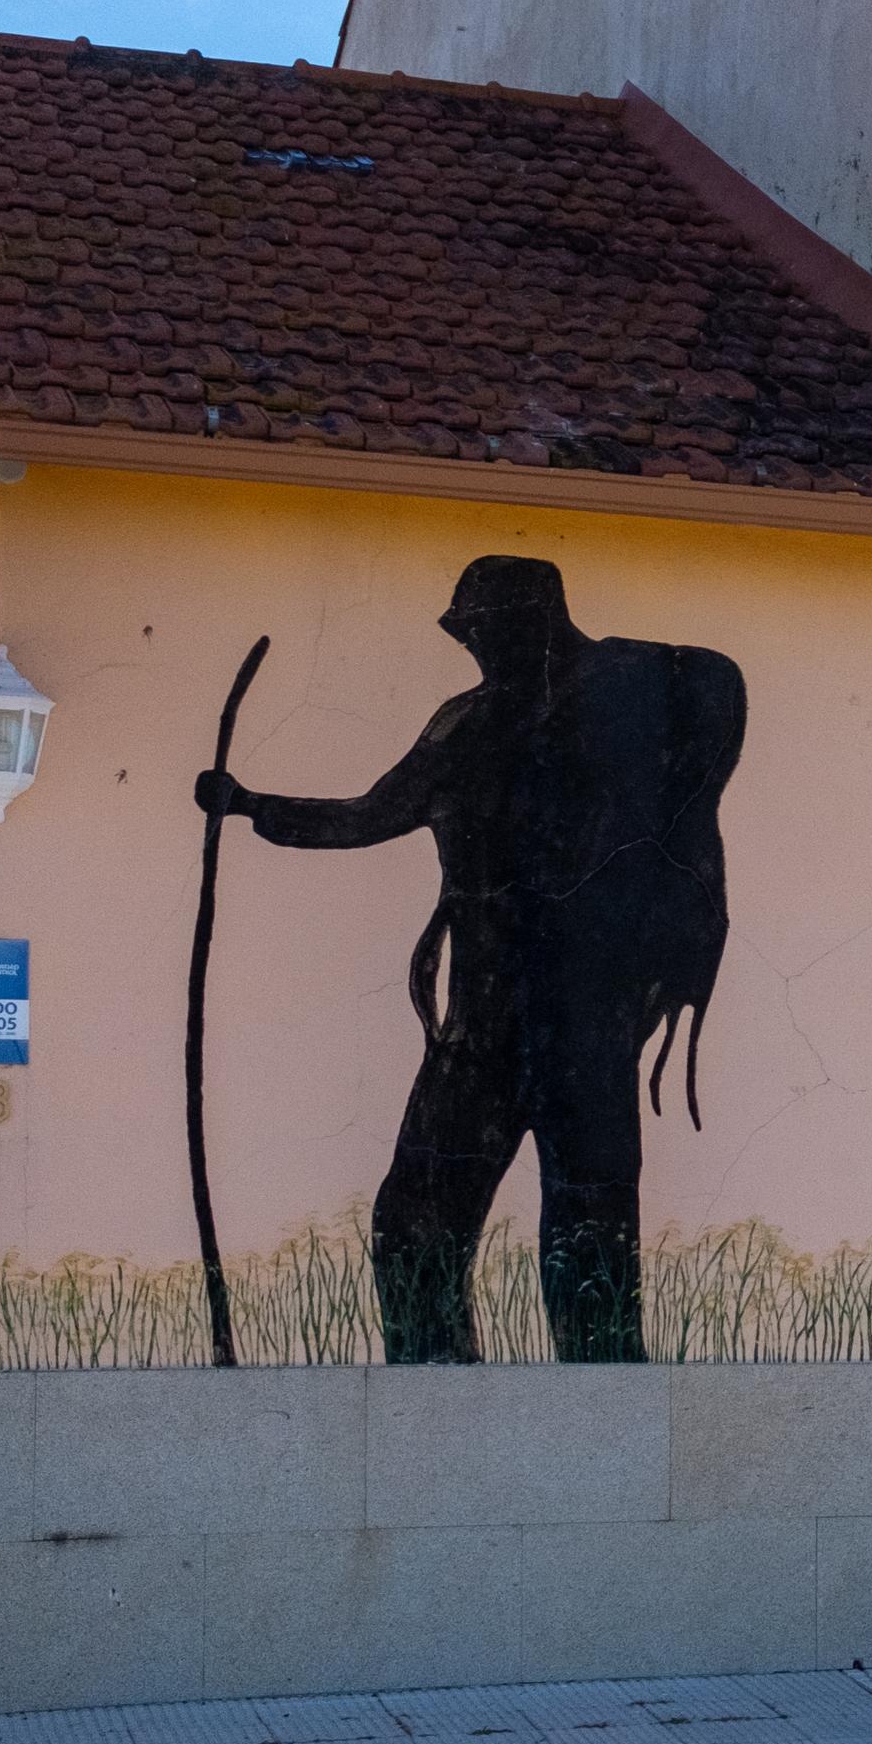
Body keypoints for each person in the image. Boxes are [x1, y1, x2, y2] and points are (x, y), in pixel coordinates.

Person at [199, 557, 746, 1363]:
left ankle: (604, 1406)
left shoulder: (633, 687)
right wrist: (253, 807)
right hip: (483, 1021)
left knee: (589, 1226)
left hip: (589, 1019)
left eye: (484, 629)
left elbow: (709, 723)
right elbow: (371, 814)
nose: (477, 647)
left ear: (536, 620)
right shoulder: (467, 724)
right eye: (470, 634)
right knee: (417, 1216)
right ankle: (435, 1389)